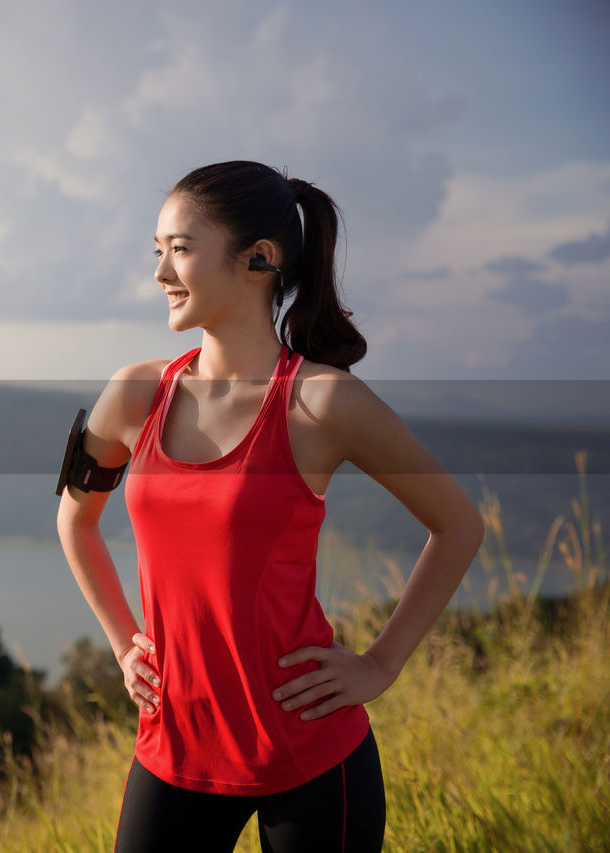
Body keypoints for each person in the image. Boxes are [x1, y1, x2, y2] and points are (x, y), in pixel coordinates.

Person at [55, 160, 485, 852]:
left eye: (181, 249)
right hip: (174, 747)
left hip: (308, 751)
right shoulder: (135, 394)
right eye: (158, 252)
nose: (162, 273)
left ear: (260, 259)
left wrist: (380, 664)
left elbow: (459, 523)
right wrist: (121, 641)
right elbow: (75, 520)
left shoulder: (322, 403)